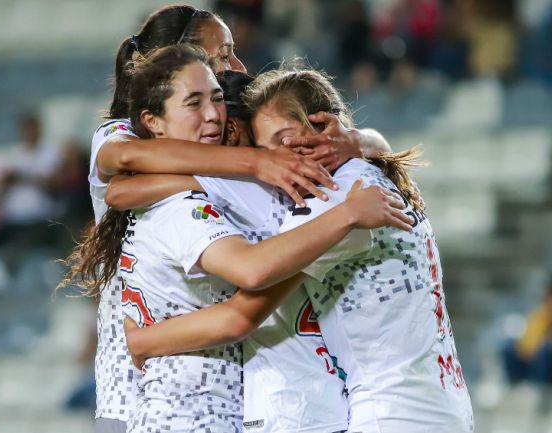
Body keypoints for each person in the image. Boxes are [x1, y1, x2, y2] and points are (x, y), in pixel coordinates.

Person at [86, 5, 401, 432]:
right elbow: (122, 175)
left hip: (231, 387)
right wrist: (257, 165)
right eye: (222, 56)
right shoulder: (128, 141)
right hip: (142, 388)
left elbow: (374, 147)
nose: (237, 65)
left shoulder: (214, 170)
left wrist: (355, 139)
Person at [122, 67, 474, 433]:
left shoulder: (339, 202)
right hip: (438, 401)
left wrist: (144, 340)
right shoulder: (367, 176)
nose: (278, 159)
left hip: (393, 411)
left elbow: (248, 296)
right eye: (265, 149)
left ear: (324, 126)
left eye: (285, 139)